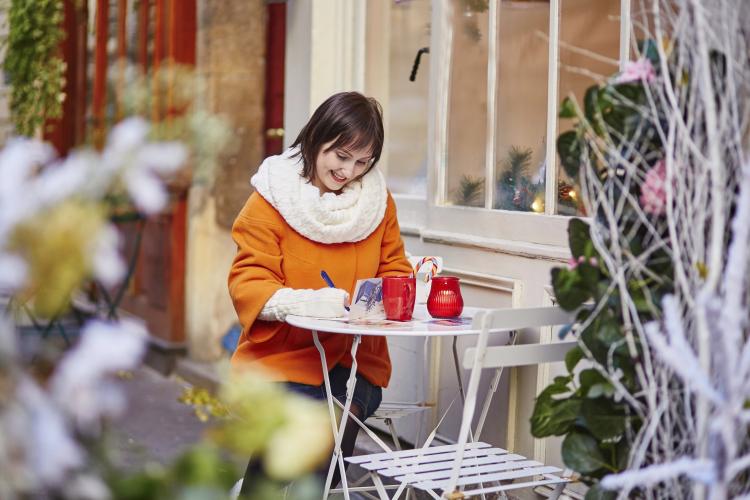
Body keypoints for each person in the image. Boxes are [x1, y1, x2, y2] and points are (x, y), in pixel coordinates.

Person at [228, 91, 412, 494]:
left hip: (355, 359)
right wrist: (307, 302)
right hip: (284, 357)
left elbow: (396, 268)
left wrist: (389, 297)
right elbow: (249, 282)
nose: (349, 170)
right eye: (340, 155)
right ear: (316, 139)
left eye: (363, 162)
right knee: (310, 429)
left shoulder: (377, 204)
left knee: (329, 428)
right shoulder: (271, 201)